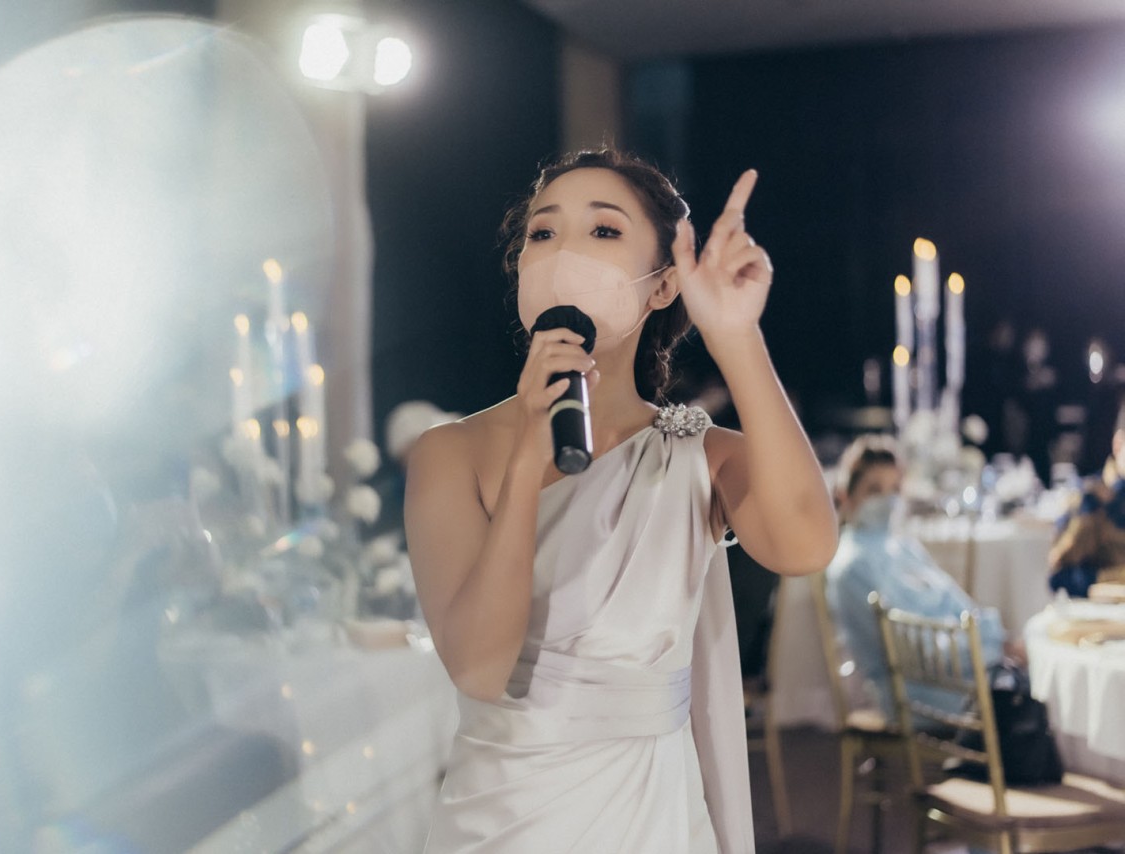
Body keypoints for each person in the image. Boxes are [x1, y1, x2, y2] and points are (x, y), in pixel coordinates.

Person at [404, 149, 837, 852]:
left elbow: (808, 545)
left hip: (652, 815)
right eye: (543, 233)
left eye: (603, 230)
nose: (564, 252)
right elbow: (480, 670)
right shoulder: (448, 453)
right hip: (502, 820)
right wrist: (526, 463)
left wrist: (736, 336)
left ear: (663, 285)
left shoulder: (700, 456)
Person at [824, 434, 1007, 723]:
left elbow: (958, 604)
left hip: (964, 671)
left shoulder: (905, 547)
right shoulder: (850, 565)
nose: (887, 500)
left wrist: (992, 637)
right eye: (874, 490)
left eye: (895, 489)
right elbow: (910, 649)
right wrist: (991, 644)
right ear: (847, 494)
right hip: (917, 695)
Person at [1048, 400, 1125, 597]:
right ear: (1118, 444)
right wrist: (1112, 579)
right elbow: (1059, 576)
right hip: (1099, 610)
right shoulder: (1090, 499)